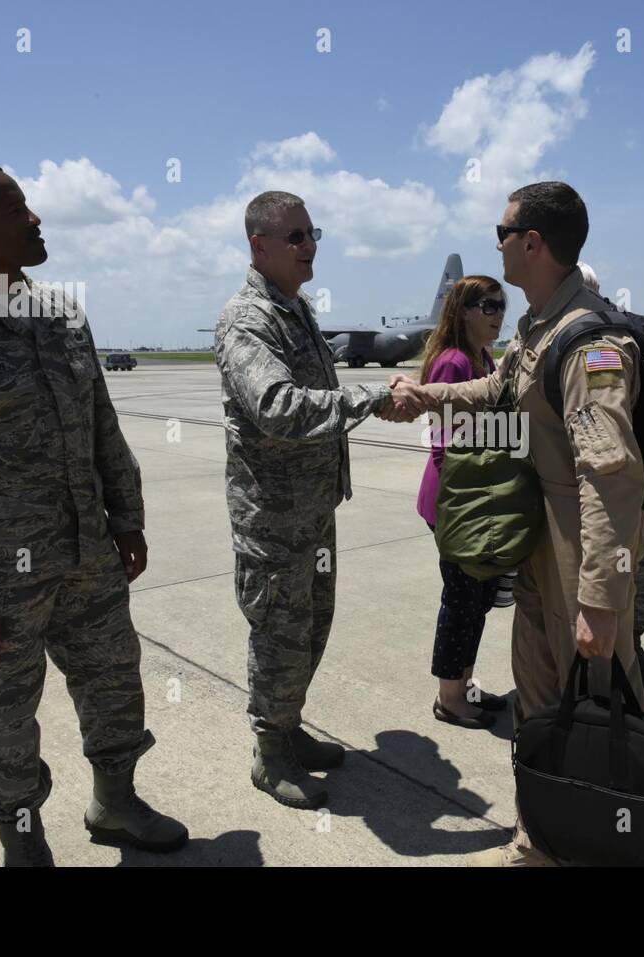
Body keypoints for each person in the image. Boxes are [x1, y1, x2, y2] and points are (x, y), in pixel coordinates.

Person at [0, 162, 187, 866]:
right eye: (16, 208)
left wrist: (127, 517)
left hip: (88, 558)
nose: (35, 218)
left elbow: (101, 427)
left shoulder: (63, 316)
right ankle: (23, 843)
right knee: (3, 721)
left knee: (115, 684)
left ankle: (115, 801)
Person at [391, 181, 644, 866]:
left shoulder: (591, 340)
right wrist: (426, 394)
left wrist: (601, 597)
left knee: (606, 703)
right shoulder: (539, 327)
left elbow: (611, 474)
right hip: (541, 533)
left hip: (581, 541)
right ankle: (541, 836)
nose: (499, 244)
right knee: (541, 700)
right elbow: (495, 389)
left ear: (533, 243)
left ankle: (639, 829)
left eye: (503, 233)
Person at [214, 190, 423, 811]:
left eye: (313, 234)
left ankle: (290, 727)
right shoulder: (248, 319)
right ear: (259, 245)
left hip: (312, 511)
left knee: (310, 629)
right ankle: (269, 752)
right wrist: (370, 399)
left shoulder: (294, 309)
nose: (310, 248)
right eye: (296, 237)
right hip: (273, 520)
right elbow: (277, 407)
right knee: (279, 633)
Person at [416, 276, 512, 729]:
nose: (498, 315)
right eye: (489, 306)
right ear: (465, 311)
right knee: (460, 599)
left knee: (478, 599)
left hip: (478, 500)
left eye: (501, 306)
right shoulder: (453, 363)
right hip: (456, 504)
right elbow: (442, 445)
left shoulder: (483, 356)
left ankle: (465, 685)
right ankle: (449, 698)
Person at [576, 262, 644, 689]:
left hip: (615, 487)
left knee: (622, 572)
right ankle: (620, 657)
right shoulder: (624, 332)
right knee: (638, 567)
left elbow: (604, 433)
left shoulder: (599, 343)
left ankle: (622, 659)